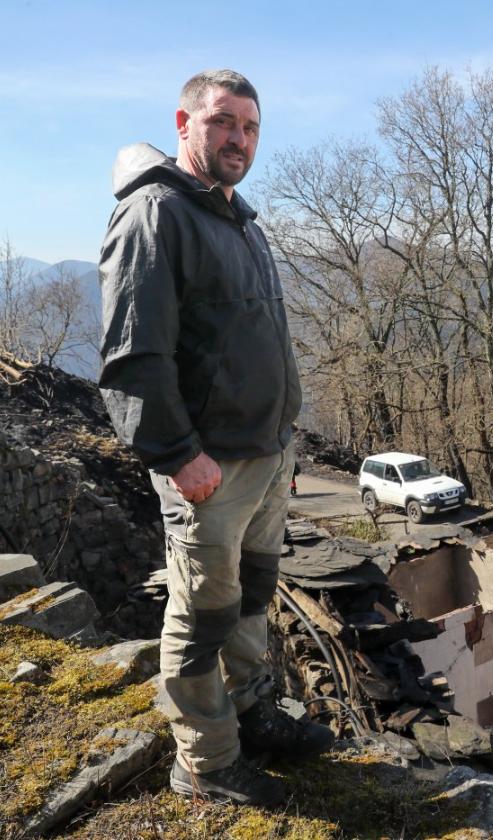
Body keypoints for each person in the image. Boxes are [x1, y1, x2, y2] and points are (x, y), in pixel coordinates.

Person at [98, 69, 333, 807]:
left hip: (263, 457)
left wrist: (282, 439)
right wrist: (175, 454)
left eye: (251, 127)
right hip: (206, 469)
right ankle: (206, 762)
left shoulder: (239, 219)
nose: (239, 139)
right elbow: (134, 358)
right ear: (185, 122)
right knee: (199, 619)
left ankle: (253, 712)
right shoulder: (157, 214)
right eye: (224, 122)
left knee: (251, 598)